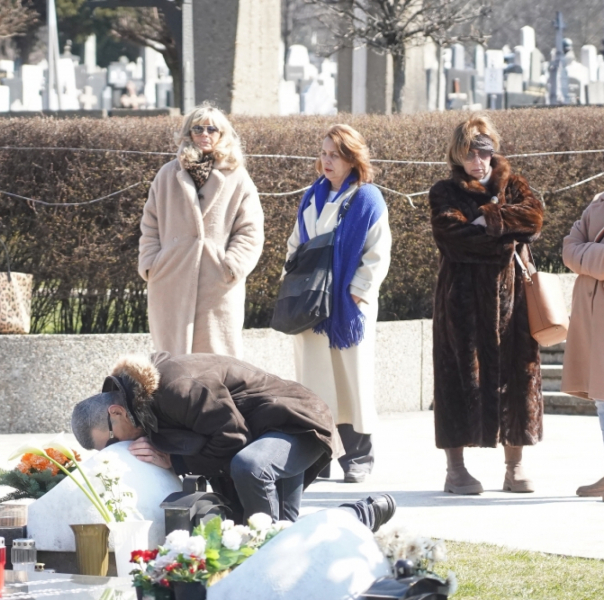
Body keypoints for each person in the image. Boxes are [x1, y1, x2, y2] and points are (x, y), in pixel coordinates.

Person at [70, 351, 395, 529]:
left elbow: (233, 438)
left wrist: (175, 461)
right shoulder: (142, 405)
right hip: (263, 436)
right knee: (282, 531)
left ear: (116, 412)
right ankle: (360, 516)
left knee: (251, 471)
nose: (118, 449)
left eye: (111, 442)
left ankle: (267, 554)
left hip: (296, 425)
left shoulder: (175, 387)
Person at [429, 115, 544, 495]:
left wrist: (487, 218)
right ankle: (455, 469)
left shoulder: (514, 184)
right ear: (457, 154)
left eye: (484, 151)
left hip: (513, 304)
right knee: (456, 378)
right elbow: (452, 237)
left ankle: (515, 466)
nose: (479, 160)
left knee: (516, 377)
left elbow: (533, 218)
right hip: (460, 303)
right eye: (470, 153)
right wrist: (502, 234)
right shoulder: (444, 191)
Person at [286, 124, 391, 483]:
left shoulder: (367, 198)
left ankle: (359, 456)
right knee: (314, 385)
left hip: (347, 309)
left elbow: (378, 253)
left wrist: (356, 293)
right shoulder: (312, 195)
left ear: (351, 158)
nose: (326, 160)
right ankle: (318, 458)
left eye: (334, 154)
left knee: (351, 383)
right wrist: (296, 282)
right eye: (323, 153)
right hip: (311, 306)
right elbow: (296, 243)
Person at [138, 103, 264, 359]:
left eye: (212, 129)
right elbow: (150, 224)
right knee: (171, 363)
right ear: (188, 133)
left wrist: (231, 266)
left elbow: (250, 230)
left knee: (217, 364)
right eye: (198, 128)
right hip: (170, 280)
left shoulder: (237, 177)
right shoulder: (167, 175)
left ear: (222, 134)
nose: (205, 134)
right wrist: (151, 264)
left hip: (216, 284)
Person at [562, 137, 604, 503]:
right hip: (596, 316)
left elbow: (580, 251)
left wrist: (588, 258)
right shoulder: (598, 202)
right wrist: (601, 260)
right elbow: (568, 249)